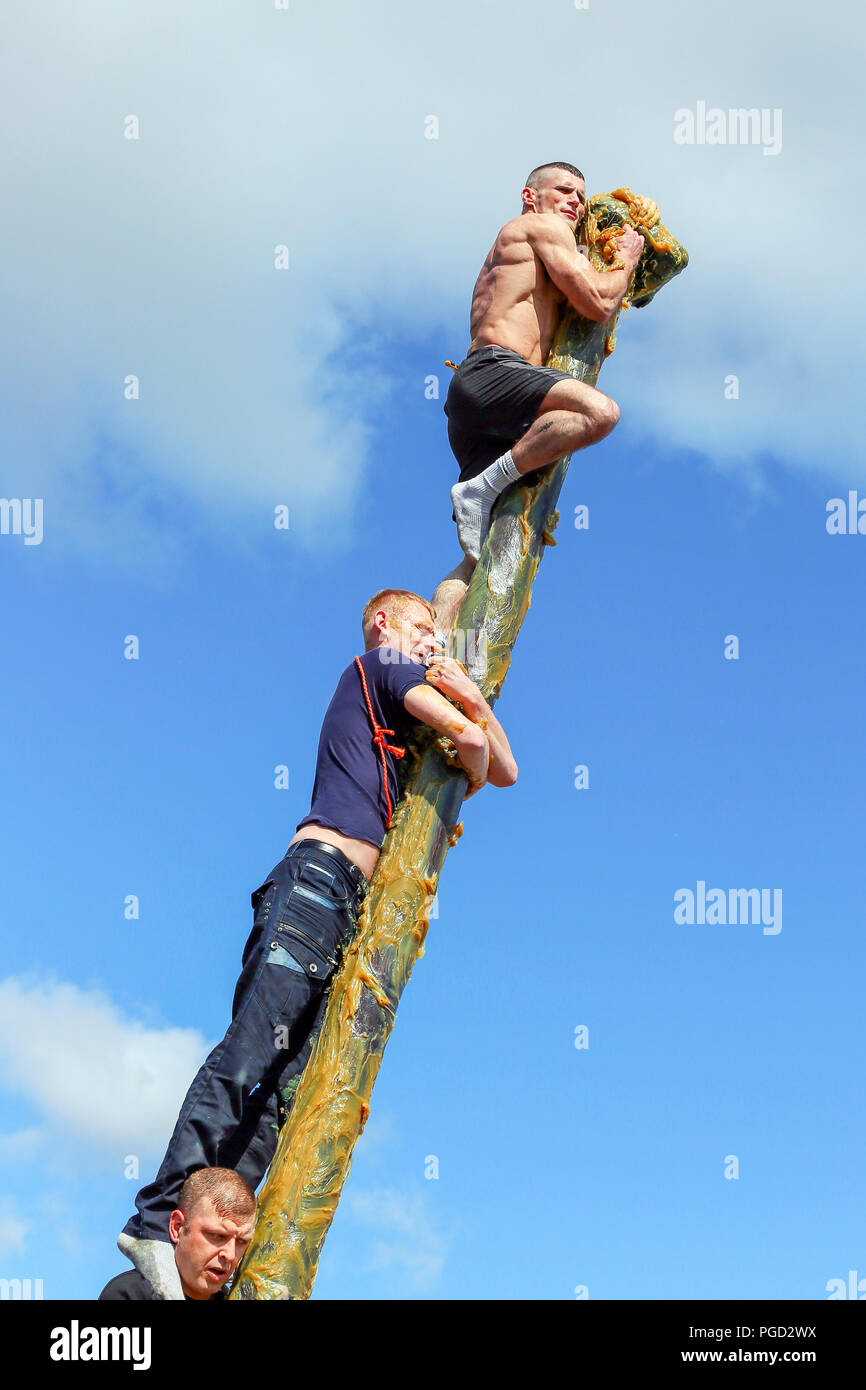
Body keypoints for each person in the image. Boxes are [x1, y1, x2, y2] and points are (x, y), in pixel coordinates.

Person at [118, 589, 517, 1297]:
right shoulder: (382, 663)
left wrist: (468, 709)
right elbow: (475, 746)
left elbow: (504, 769)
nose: (432, 640)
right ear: (385, 624)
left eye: (437, 632)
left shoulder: (407, 689)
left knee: (282, 1096)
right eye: (423, 628)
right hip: (316, 884)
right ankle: (154, 1222)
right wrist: (463, 701)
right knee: (248, 1057)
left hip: (343, 907)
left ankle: (209, 1259)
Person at [433, 161, 646, 631]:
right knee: (600, 412)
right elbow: (598, 300)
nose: (575, 201)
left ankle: (445, 655)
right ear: (532, 197)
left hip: (481, 399)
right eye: (565, 190)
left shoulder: (540, 252)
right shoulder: (539, 226)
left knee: (479, 561)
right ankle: (483, 486)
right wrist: (627, 258)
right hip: (495, 371)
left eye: (582, 197)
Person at [100, 1168, 255, 1300]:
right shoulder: (131, 1294)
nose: (229, 1254)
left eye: (241, 1241)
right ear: (177, 1227)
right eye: (217, 1235)